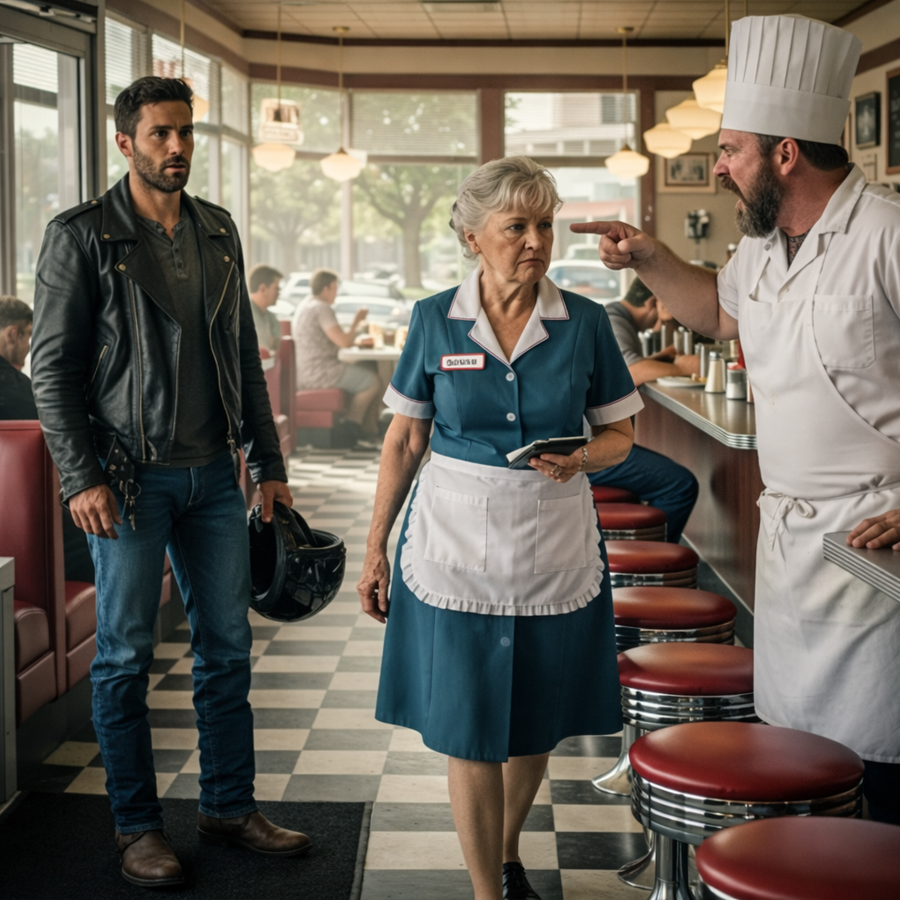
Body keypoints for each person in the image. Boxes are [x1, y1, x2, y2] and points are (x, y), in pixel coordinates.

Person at [574, 15, 900, 823]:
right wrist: (648, 256)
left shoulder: (887, 235)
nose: (717, 167)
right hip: (792, 543)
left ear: (784, 153)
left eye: (729, 150)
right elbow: (718, 317)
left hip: (878, 540)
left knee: (880, 755)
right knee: (795, 750)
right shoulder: (761, 249)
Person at [30, 76, 310, 888]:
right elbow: (52, 371)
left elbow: (246, 365)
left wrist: (270, 467)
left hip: (215, 479)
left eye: (184, 133)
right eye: (159, 134)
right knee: (123, 657)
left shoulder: (218, 231)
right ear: (126, 143)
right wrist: (80, 474)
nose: (176, 147)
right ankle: (137, 827)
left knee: (227, 651)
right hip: (125, 481)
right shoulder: (82, 236)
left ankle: (228, 805)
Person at [358, 156, 643, 900]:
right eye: (515, 226)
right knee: (468, 721)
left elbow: (621, 437)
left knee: (534, 721)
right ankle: (490, 890)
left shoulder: (583, 322)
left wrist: (582, 457)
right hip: (453, 540)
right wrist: (374, 547)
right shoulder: (432, 320)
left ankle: (506, 849)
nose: (534, 241)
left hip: (552, 537)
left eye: (543, 224)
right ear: (471, 235)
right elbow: (404, 439)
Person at [590, 278, 699, 542]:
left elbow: (619, 373)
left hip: (591, 442)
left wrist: (660, 359)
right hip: (591, 449)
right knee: (681, 485)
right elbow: (631, 372)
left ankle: (644, 553)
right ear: (652, 302)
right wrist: (685, 367)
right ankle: (651, 556)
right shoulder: (614, 321)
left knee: (670, 473)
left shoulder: (614, 316)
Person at [0, 296, 95, 583]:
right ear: (13, 333)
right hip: (28, 526)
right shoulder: (24, 393)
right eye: (29, 336)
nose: (29, 348)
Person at [291, 267, 382, 442]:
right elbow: (344, 342)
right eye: (335, 288)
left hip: (305, 370)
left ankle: (369, 426)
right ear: (328, 287)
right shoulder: (322, 308)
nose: (336, 293)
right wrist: (357, 321)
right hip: (319, 372)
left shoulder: (305, 304)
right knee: (373, 381)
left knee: (367, 367)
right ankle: (351, 427)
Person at [248, 263, 284, 353]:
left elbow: (275, 344)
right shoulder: (243, 315)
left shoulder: (270, 316)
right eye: (276, 289)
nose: (279, 293)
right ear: (263, 289)